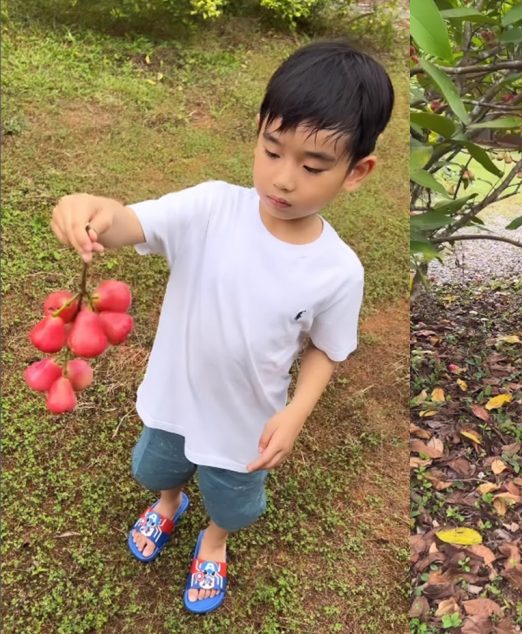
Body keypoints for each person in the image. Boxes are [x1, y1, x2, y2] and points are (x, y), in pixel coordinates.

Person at [50, 40, 394, 614]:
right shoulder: (210, 209)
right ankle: (168, 504)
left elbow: (326, 352)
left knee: (232, 501)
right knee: (155, 466)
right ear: (259, 130)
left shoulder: (338, 271)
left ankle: (215, 540)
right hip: (173, 400)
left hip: (244, 427)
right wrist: (93, 208)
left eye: (312, 166)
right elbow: (130, 222)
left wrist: (295, 414)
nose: (284, 179)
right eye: (272, 150)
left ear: (357, 172)